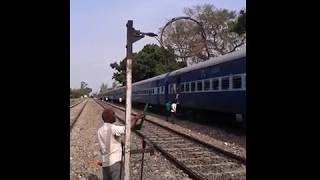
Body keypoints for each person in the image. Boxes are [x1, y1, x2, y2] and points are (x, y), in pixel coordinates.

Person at [97, 108, 144, 180]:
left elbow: (109, 141)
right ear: (109, 117)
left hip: (105, 163)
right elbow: (126, 129)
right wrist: (135, 119)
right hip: (115, 163)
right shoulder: (112, 128)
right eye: (113, 114)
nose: (115, 116)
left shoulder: (100, 130)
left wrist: (132, 119)